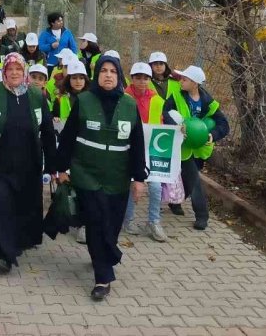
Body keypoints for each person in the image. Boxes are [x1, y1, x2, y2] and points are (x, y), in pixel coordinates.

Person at [55, 54, 148, 300]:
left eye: (113, 72)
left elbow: (138, 144)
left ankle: (105, 254)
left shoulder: (129, 105)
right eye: (104, 71)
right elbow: (68, 137)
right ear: (97, 76)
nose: (108, 75)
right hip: (87, 174)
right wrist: (61, 169)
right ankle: (103, 277)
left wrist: (139, 179)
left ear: (119, 76)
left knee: (112, 225)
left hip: (117, 176)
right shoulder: (84, 101)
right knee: (96, 221)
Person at [0, 53, 57, 274]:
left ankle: (16, 241)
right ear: (4, 72)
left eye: (19, 69)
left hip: (28, 165)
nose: (15, 73)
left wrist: (52, 165)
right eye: (11, 69)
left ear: (24, 72)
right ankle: (1, 254)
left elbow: (47, 131)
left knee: (22, 206)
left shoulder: (36, 96)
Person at [162, 65, 230, 230]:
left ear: (195, 83)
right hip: (183, 147)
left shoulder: (209, 102)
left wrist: (211, 135)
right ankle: (202, 216)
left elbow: (224, 124)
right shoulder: (176, 96)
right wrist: (178, 126)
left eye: (184, 79)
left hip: (199, 148)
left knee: (188, 178)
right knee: (195, 180)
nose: (181, 82)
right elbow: (166, 112)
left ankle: (175, 202)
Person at [123, 62, 168, 242]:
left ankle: (153, 221)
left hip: (150, 150)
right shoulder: (123, 97)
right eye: (138, 78)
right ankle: (128, 220)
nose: (142, 81)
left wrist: (178, 129)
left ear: (150, 79)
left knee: (156, 186)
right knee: (132, 185)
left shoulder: (157, 99)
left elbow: (163, 122)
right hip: (129, 150)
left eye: (145, 78)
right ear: (132, 78)